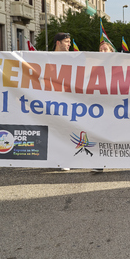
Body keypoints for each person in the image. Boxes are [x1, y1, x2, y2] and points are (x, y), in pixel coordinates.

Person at [93, 41, 114, 172]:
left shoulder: (121, 62)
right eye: (100, 49)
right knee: (100, 132)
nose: (102, 52)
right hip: (100, 106)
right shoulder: (92, 66)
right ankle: (100, 162)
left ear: (111, 52)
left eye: (105, 49)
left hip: (117, 106)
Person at [53, 32, 72, 170]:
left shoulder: (73, 58)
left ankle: (65, 160)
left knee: (66, 130)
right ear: (58, 43)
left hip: (68, 100)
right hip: (51, 101)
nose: (69, 44)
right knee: (54, 131)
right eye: (66, 41)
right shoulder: (45, 58)